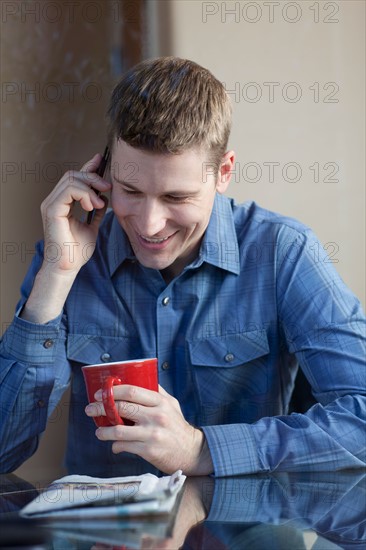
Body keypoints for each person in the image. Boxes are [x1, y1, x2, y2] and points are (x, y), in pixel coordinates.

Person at [0, 57, 365, 477]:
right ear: (103, 172)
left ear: (223, 172)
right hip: (103, 535)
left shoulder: (284, 252)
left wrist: (202, 450)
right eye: (130, 190)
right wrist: (57, 277)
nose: (150, 224)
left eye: (176, 198)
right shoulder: (68, 256)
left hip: (245, 533)